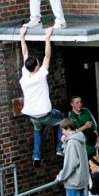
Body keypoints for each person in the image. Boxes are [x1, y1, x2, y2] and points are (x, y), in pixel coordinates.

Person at [19, 26, 64, 167]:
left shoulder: (24, 75)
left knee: (37, 131)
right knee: (63, 120)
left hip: (32, 115)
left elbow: (24, 53)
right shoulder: (41, 74)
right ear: (37, 66)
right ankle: (60, 148)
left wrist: (22, 36)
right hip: (45, 114)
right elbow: (47, 56)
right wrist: (47, 37)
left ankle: (37, 156)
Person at [56, 119, 91, 196]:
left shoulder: (72, 143)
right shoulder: (79, 138)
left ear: (67, 129)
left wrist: (60, 177)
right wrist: (64, 143)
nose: (62, 133)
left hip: (73, 180)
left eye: (63, 130)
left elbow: (70, 163)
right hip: (82, 178)